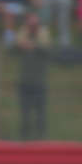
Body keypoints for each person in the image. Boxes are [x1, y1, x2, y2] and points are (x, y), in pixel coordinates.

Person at [13, 11, 51, 140]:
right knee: (25, 113)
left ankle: (41, 137)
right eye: (30, 23)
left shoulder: (43, 34)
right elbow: (15, 47)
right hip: (25, 81)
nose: (32, 25)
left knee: (41, 113)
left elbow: (46, 50)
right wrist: (25, 41)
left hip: (39, 81)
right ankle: (24, 138)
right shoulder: (23, 32)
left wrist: (32, 44)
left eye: (35, 23)